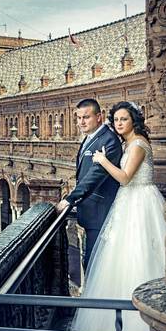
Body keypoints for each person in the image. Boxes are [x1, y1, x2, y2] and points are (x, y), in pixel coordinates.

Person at [72, 101, 166, 331]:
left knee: (141, 255)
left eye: (124, 119)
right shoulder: (126, 144)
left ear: (134, 120)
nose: (119, 124)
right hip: (127, 203)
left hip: (141, 202)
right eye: (116, 120)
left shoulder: (137, 144)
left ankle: (142, 328)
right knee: (120, 259)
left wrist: (103, 161)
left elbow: (126, 178)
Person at [57, 99, 122, 269]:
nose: (81, 122)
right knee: (91, 261)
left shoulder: (109, 140)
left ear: (99, 117)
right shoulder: (91, 138)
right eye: (78, 118)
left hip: (100, 212)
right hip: (90, 211)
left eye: (86, 117)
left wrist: (70, 199)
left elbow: (95, 174)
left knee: (94, 265)